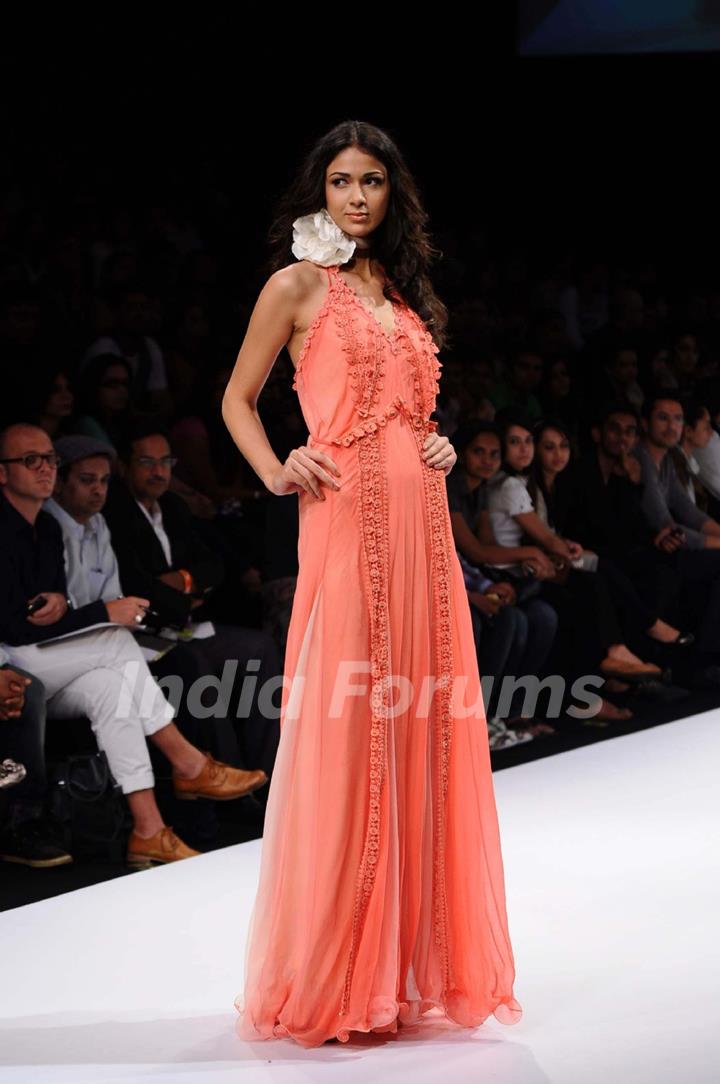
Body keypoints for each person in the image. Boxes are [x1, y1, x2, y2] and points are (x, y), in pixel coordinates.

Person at [221, 121, 523, 1047]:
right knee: (352, 732)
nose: (357, 196)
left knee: (421, 731)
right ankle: (340, 971)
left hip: (426, 527)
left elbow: (414, 416)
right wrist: (277, 469)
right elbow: (237, 397)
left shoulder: (400, 294)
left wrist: (438, 444)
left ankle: (401, 969)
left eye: (373, 183)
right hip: (348, 523)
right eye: (342, 180)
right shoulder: (297, 283)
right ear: (320, 188)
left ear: (394, 197)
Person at [0, 423, 269, 868]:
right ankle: (188, 763)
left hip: (43, 658)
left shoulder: (44, 528)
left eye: (49, 459)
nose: (45, 469)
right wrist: (98, 613)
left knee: (112, 686)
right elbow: (19, 626)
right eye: (32, 461)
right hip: (13, 662)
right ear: (4, 473)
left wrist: (66, 603)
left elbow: (50, 610)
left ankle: (148, 829)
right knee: (113, 638)